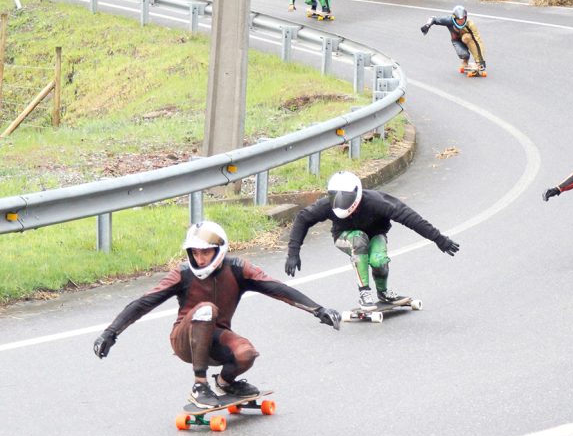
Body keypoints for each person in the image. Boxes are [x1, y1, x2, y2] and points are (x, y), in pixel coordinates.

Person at [93, 221, 340, 409]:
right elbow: (143, 303)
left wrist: (317, 309)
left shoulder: (238, 269)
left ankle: (224, 383)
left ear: (219, 250)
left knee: (247, 354)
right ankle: (199, 386)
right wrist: (111, 333)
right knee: (205, 309)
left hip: (216, 337)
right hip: (185, 339)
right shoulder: (181, 274)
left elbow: (277, 288)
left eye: (205, 252)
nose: (199, 259)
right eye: (194, 253)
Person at [284, 171, 460, 311]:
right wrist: (293, 253)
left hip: (376, 234)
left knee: (378, 261)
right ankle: (364, 293)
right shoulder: (327, 205)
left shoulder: (378, 202)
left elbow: (412, 219)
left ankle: (383, 293)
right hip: (345, 237)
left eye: (346, 200)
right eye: (336, 199)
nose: (341, 204)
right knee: (359, 239)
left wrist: (439, 239)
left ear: (356, 194)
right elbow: (303, 219)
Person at [421, 5, 487, 73]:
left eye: (463, 19)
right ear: (454, 18)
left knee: (466, 37)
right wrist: (427, 25)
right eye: (459, 20)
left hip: (467, 39)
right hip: (456, 40)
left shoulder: (470, 24)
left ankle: (477, 62)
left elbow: (478, 41)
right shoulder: (448, 20)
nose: (461, 21)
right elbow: (433, 18)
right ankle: (465, 60)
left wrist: (481, 60)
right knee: (463, 54)